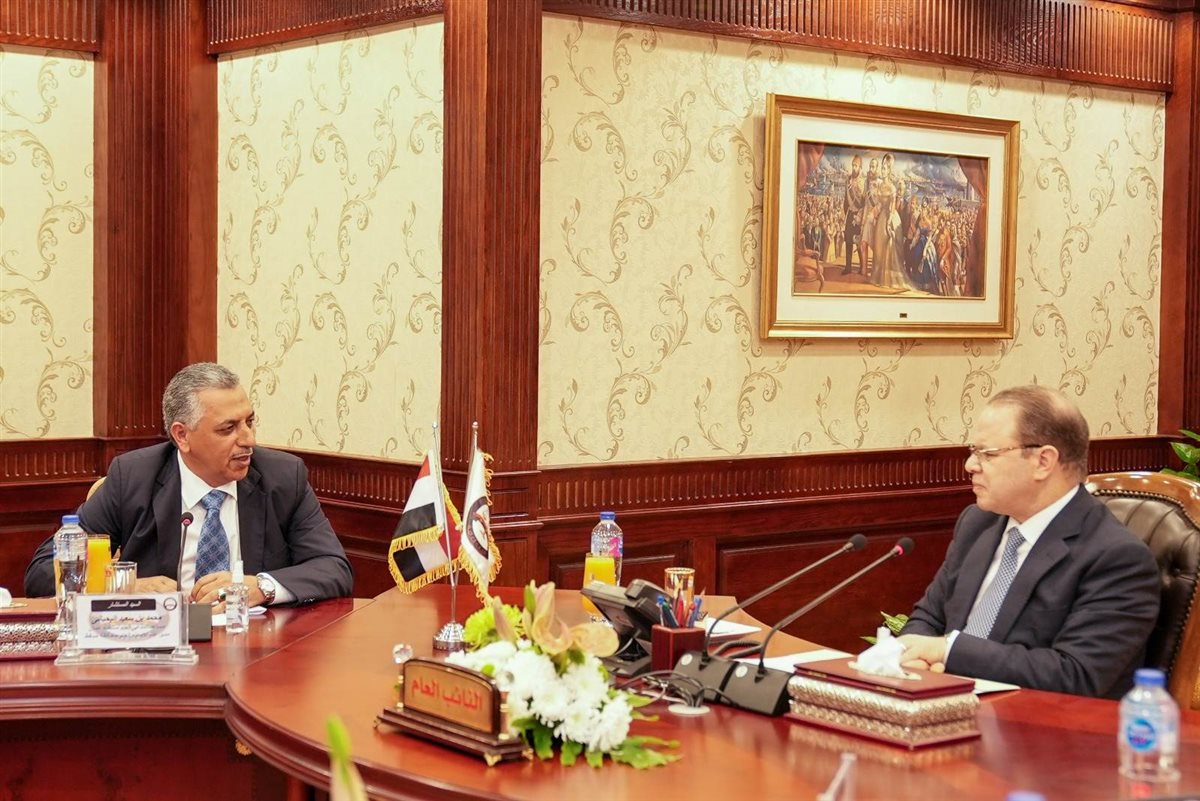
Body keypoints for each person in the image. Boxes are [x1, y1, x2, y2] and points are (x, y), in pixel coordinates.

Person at [898, 385, 1159, 699]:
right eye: (973, 451)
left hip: (1038, 721)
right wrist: (916, 656)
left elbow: (1076, 674)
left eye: (987, 454)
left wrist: (948, 652)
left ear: (1043, 461)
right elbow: (929, 617)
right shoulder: (978, 523)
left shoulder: (1117, 558)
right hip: (945, 706)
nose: (970, 465)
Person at [24, 363, 354, 609]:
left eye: (249, 422)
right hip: (155, 649)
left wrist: (261, 587)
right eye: (228, 428)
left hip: (256, 648)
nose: (249, 440)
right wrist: (122, 586)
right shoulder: (134, 477)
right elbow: (42, 573)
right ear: (182, 435)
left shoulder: (282, 476)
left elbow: (333, 568)